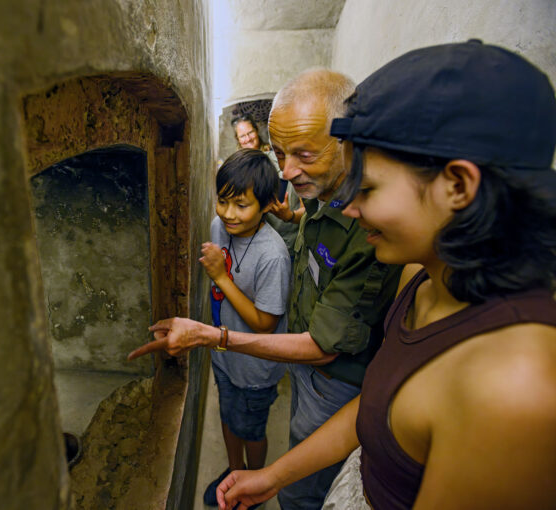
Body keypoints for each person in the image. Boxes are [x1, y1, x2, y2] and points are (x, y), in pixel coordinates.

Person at [216, 40, 556, 510]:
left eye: (368, 187)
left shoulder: (513, 388)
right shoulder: (422, 273)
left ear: (457, 185)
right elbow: (380, 398)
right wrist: (276, 475)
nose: (350, 208)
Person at [129, 69, 402, 509]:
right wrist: (297, 218)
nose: (289, 171)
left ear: (349, 143)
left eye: (304, 154)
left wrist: (211, 334)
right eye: (280, 154)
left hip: (327, 378)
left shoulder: (362, 230)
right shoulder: (316, 190)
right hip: (286, 367)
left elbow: (317, 344)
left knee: (301, 489)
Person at [200, 148, 292, 507]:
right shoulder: (217, 226)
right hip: (224, 354)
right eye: (223, 202)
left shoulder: (273, 255)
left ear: (268, 205)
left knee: (252, 428)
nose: (228, 214)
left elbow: (265, 324)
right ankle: (232, 470)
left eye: (241, 205)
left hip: (255, 367)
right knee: (227, 413)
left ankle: (253, 485)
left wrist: (221, 278)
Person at [232, 114, 304, 255]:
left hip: (288, 243)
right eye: (242, 136)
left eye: (250, 132)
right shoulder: (236, 169)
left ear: (257, 131)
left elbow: (306, 209)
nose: (247, 139)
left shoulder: (280, 163)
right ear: (237, 140)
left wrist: (289, 215)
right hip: (255, 246)